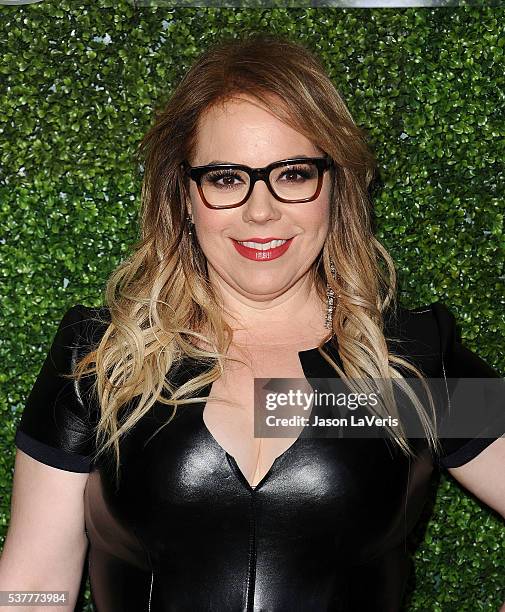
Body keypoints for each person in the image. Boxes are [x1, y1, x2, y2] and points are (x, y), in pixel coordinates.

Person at [1, 32, 504, 612]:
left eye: (292, 174)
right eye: (226, 178)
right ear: (184, 197)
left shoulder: (415, 357)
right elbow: (33, 581)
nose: (260, 211)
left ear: (334, 185)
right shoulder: (99, 355)